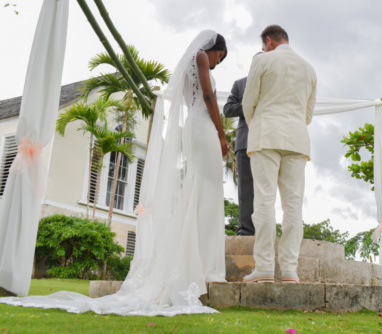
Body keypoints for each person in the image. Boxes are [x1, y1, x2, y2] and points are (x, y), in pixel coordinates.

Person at [0, 30, 230, 316]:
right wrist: (222, 134)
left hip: (197, 128)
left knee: (201, 190)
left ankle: (197, 263)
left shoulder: (188, 64)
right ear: (213, 48)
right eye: (220, 57)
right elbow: (207, 95)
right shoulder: (199, 57)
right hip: (205, 126)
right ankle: (205, 266)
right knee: (208, 191)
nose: (218, 64)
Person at [242, 25, 317, 283]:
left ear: (268, 41)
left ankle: (263, 267)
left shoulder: (263, 60)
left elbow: (248, 101)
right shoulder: (309, 68)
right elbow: (308, 113)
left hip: (265, 135)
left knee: (264, 200)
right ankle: (289, 270)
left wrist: (259, 125)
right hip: (297, 139)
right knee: (293, 205)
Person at [223, 76, 255, 236]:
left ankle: (265, 230)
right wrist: (249, 106)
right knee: (246, 190)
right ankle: (246, 231)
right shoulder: (240, 84)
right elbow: (227, 109)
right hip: (245, 142)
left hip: (271, 142)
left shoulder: (277, 80)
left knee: (267, 190)